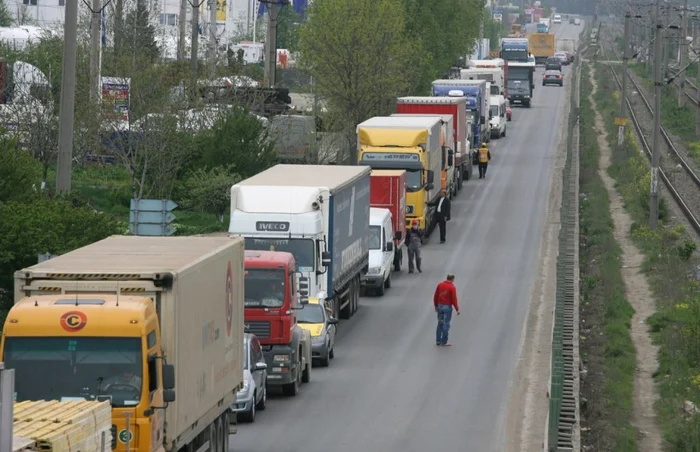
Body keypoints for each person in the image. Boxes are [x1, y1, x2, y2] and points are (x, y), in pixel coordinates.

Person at [434, 274, 460, 346]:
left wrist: (436, 305)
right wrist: (457, 309)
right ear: (452, 279)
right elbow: (454, 299)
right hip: (447, 308)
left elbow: (436, 296)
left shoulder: (440, 285)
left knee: (440, 323)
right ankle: (444, 341)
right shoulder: (452, 287)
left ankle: (438, 340)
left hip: (440, 306)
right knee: (446, 324)